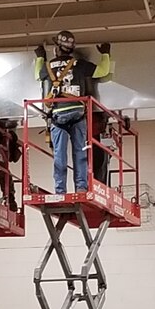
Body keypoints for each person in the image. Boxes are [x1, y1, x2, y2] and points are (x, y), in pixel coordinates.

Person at [34, 31, 113, 195]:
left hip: (58, 115)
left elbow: (37, 76)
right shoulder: (80, 64)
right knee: (80, 153)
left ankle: (60, 190)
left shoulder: (48, 67)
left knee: (59, 156)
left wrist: (41, 56)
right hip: (77, 113)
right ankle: (81, 187)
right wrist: (106, 53)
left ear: (57, 48)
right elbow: (103, 71)